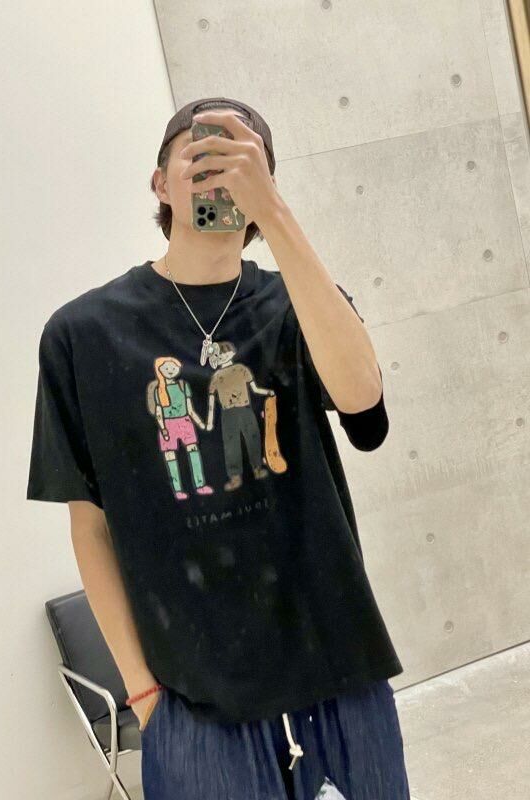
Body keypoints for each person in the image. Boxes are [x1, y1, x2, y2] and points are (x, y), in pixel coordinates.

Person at [26, 96, 410, 799]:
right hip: (194, 704)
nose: (219, 169)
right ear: (160, 183)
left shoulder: (302, 302)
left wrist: (276, 215)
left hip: (340, 672)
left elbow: (364, 407)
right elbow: (90, 526)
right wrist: (144, 694)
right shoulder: (83, 335)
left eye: (242, 156)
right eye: (199, 151)